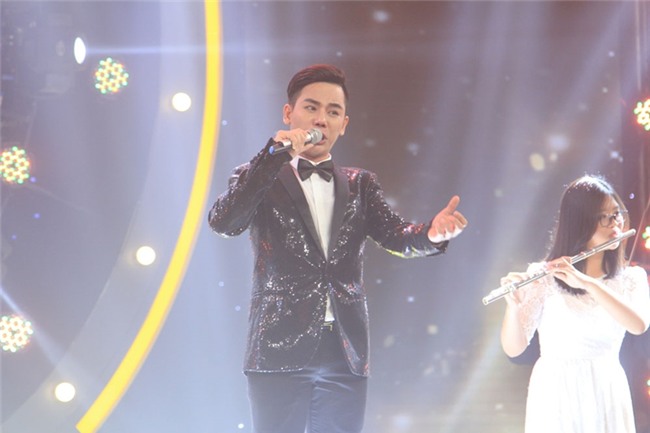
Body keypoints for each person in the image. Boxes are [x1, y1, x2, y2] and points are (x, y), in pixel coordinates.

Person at [207, 64, 468, 433]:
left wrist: (432, 234)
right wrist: (273, 155)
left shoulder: (360, 184)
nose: (321, 120)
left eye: (333, 112)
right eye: (311, 107)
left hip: (344, 351)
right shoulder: (259, 174)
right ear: (289, 113)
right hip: (278, 346)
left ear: (344, 124)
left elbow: (396, 236)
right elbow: (224, 223)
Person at [499, 175, 650, 433]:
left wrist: (587, 283)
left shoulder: (632, 278)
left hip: (606, 388)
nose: (616, 223)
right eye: (604, 217)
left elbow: (638, 325)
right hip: (556, 392)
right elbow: (514, 349)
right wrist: (513, 307)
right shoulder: (544, 276)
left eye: (617, 214)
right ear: (580, 222)